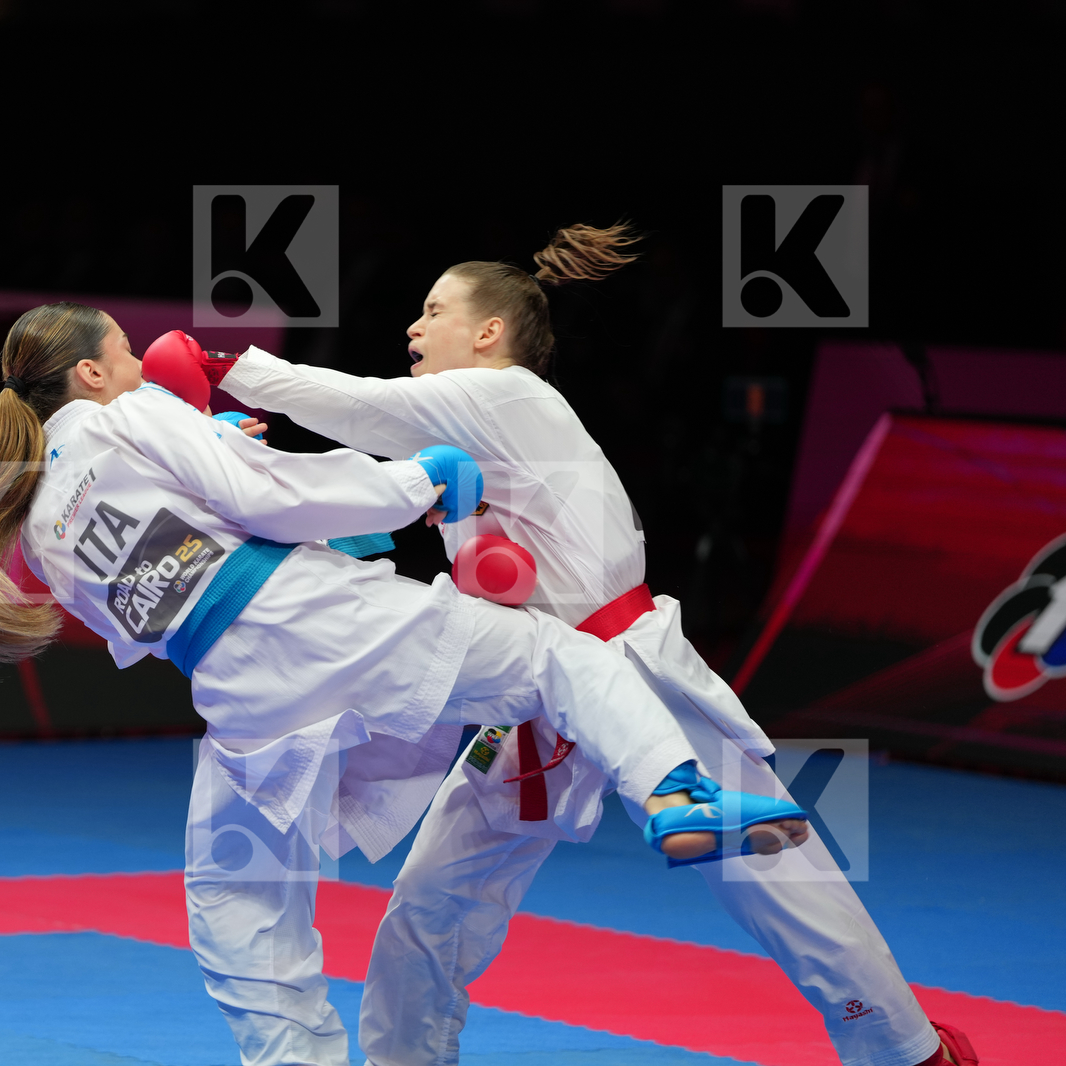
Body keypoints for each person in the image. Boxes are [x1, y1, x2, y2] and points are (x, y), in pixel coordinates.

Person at [0, 301, 807, 1066]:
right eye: (126, 354)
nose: (140, 365)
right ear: (92, 378)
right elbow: (278, 501)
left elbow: (145, 614)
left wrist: (204, 466)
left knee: (235, 894)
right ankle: (674, 793)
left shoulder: (35, 524)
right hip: (325, 627)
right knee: (556, 659)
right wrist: (413, 481)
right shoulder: (133, 415)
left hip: (238, 691)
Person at [206, 227, 979, 1066]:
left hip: (635, 674)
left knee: (782, 882)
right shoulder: (463, 451)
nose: (413, 330)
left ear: (489, 333)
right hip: (535, 699)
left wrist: (227, 368)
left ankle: (909, 1053)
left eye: (433, 312)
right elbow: (370, 493)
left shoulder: (506, 397)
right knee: (430, 908)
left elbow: (362, 407)